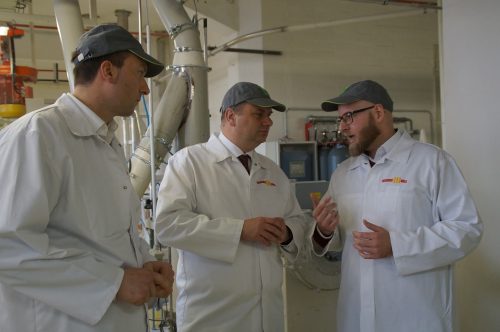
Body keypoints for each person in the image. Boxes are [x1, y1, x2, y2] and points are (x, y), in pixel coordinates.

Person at [0, 24, 174, 332]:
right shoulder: (38, 135)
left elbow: (100, 236)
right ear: (108, 70)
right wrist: (116, 283)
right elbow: (8, 244)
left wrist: (144, 267)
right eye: (139, 74)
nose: (146, 89)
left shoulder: (106, 140)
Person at [155, 81, 338, 332]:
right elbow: (168, 225)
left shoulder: (272, 171)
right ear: (230, 116)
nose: (268, 122)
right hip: (212, 318)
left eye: (269, 115)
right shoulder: (190, 163)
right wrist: (240, 230)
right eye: (259, 114)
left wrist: (286, 233)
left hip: (267, 316)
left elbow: (296, 220)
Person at [315, 79, 483, 332]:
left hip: (417, 315)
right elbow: (339, 240)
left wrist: (397, 245)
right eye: (340, 120)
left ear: (378, 112)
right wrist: (324, 231)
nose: (343, 127)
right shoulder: (343, 173)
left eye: (349, 116)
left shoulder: (431, 162)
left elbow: (467, 229)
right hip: (357, 316)